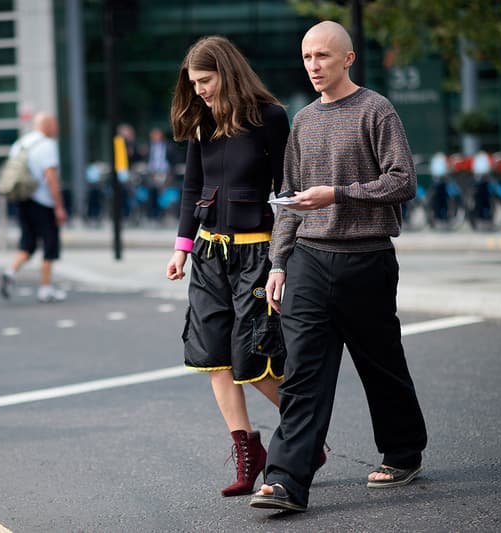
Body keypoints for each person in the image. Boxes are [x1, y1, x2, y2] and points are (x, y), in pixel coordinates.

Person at [249, 21, 428, 512]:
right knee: (303, 373)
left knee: (381, 365)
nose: (314, 66)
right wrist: (278, 263)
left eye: (323, 56)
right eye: (307, 57)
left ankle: (404, 452)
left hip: (367, 259)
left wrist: (338, 194)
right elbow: (289, 199)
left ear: (348, 59)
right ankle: (285, 480)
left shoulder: (376, 110)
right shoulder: (304, 121)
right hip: (308, 260)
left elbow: (403, 181)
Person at [165, 35, 300, 497]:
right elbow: (192, 188)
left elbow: (286, 190)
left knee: (253, 359)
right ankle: (248, 454)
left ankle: (303, 435)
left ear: (227, 72)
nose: (199, 90)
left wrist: (283, 257)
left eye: (205, 80)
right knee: (212, 357)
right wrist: (181, 248)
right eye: (193, 83)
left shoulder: (270, 117)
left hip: (255, 253)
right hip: (208, 253)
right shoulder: (201, 122)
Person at [0, 112, 68, 303]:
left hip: (23, 199)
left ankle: (10, 272)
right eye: (54, 124)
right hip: (42, 201)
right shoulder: (47, 145)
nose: (57, 128)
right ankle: (45, 288)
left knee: (28, 242)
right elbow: (51, 178)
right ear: (47, 125)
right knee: (50, 243)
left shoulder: (21, 143)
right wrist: (59, 206)